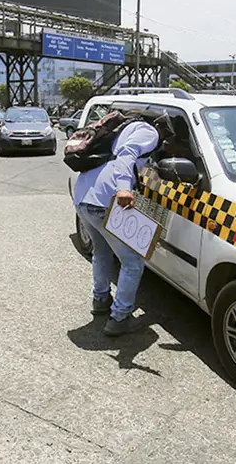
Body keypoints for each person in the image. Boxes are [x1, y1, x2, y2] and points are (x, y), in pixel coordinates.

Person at [73, 113, 160, 336]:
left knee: (101, 252)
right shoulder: (149, 131)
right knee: (132, 261)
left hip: (84, 196)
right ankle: (120, 317)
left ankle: (101, 300)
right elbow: (127, 154)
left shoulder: (120, 131)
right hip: (107, 200)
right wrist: (123, 187)